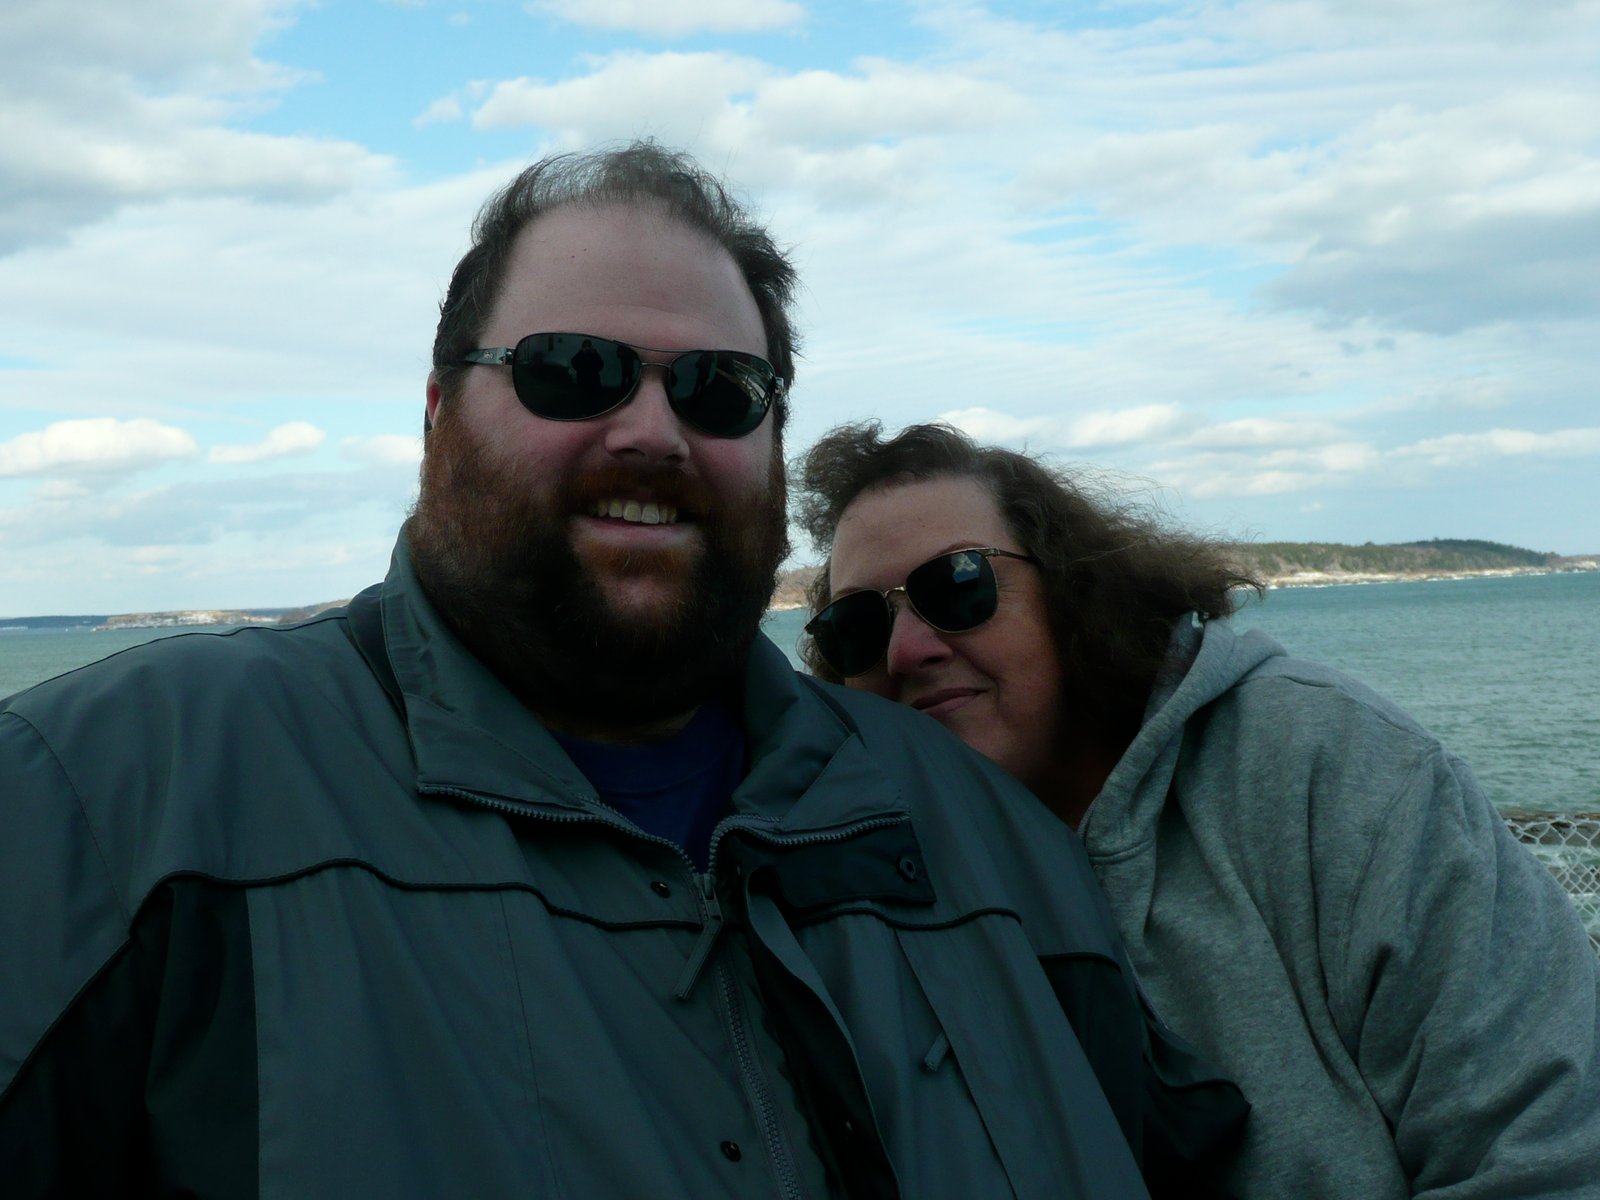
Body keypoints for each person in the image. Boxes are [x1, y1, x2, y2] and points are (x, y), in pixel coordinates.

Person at [0, 144, 1246, 1198]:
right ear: (437, 414)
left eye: (720, 391)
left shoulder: (982, 839)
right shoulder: (114, 799)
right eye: (573, 370)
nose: (651, 431)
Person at [796, 421, 1600, 1199]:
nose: (907, 650)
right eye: (857, 627)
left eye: (957, 586)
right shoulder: (866, 893)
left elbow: (1548, 1149)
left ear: (1072, 587)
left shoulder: (1323, 767)